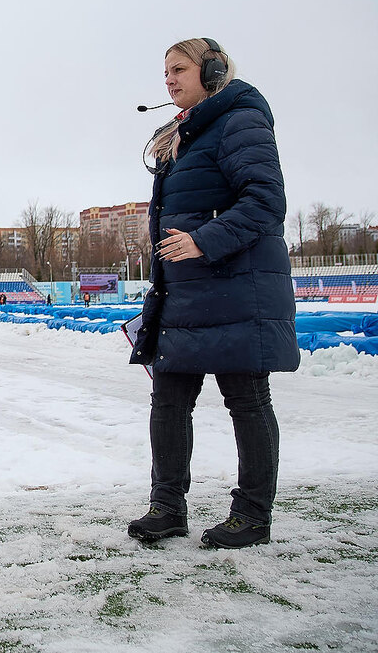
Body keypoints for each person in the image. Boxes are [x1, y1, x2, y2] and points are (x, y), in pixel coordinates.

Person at [127, 38, 298, 550]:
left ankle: (251, 516)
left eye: (179, 69)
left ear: (215, 70)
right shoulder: (183, 133)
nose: (169, 79)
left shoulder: (239, 121)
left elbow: (266, 203)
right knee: (169, 400)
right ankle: (166, 507)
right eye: (165, 72)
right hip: (185, 291)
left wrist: (203, 240)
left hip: (237, 290)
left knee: (246, 401)